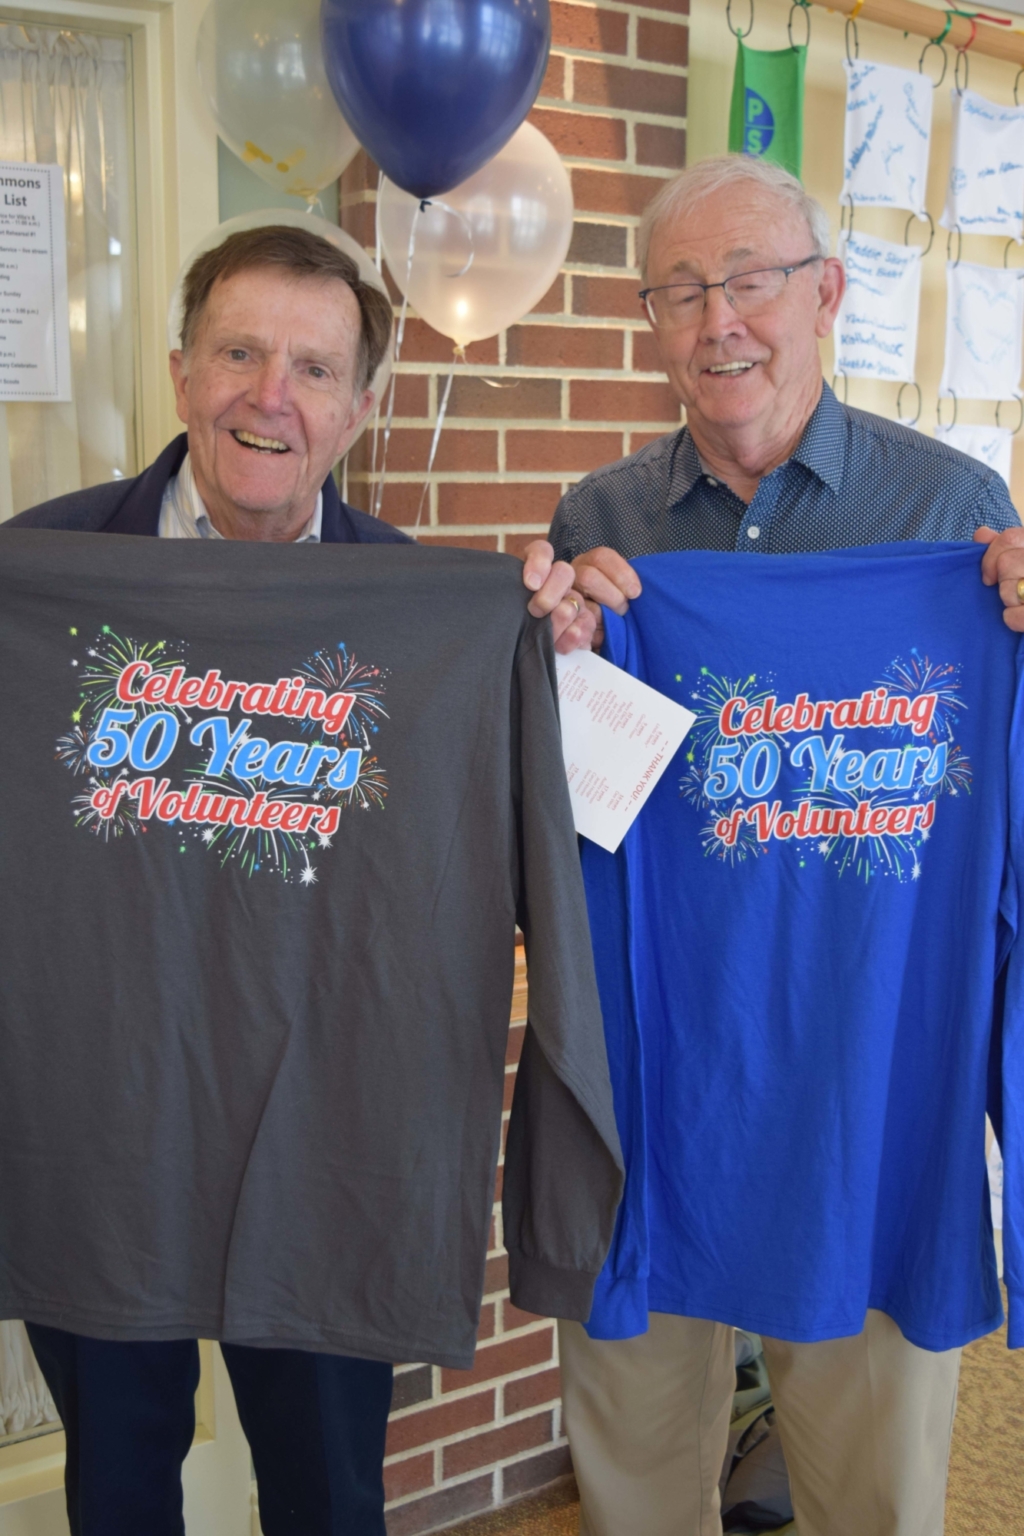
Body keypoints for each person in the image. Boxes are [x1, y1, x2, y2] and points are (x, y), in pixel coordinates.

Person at [1, 223, 585, 1536]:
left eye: (314, 369)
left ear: (360, 408)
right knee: (118, 1491)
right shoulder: (34, 578)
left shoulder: (424, 617)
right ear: (180, 372)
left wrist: (551, 649)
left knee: (327, 1499)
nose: (272, 396)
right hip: (99, 1132)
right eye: (239, 354)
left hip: (329, 1145)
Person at [538, 155, 1024, 1536]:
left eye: (750, 281)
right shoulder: (600, 523)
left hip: (871, 1095)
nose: (720, 321)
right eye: (681, 292)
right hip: (662, 1085)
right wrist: (555, 656)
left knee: (875, 1498)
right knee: (637, 1485)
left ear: (828, 292)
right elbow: (573, 818)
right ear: (650, 321)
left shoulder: (955, 515)